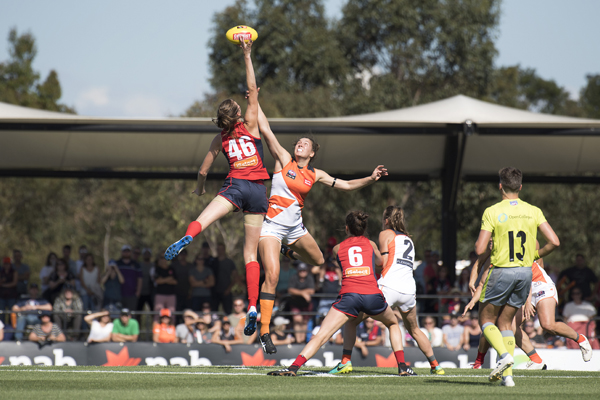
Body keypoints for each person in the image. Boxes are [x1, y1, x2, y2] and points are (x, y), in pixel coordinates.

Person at [253, 95, 387, 355]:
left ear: (312, 153)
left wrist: (371, 178)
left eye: (306, 144)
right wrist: (254, 99)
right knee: (272, 275)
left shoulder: (316, 174)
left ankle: (285, 249)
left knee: (316, 260)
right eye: (299, 142)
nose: (300, 144)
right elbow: (265, 128)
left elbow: (347, 185)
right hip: (272, 228)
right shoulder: (283, 160)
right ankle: (265, 330)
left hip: (295, 229)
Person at [164, 39, 269, 339]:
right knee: (251, 255)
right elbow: (253, 86)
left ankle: (189, 236)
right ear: (238, 113)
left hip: (235, 187)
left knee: (204, 218)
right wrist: (247, 55)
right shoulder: (251, 123)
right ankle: (251, 306)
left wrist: (199, 190)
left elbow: (202, 171)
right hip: (258, 191)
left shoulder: (220, 138)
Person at [267, 211, 413, 377]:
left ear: (346, 228)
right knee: (393, 324)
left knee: (322, 334)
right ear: (364, 228)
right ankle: (402, 366)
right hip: (372, 294)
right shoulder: (371, 244)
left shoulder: (337, 248)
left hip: (349, 296)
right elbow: (380, 263)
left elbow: (343, 264)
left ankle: (294, 368)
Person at [329, 206, 444, 375]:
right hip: (408, 290)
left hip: (388, 286)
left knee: (352, 321)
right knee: (414, 329)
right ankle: (435, 365)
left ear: (387, 220)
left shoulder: (385, 234)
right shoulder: (409, 239)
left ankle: (345, 361)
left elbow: (382, 263)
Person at [473, 167, 560, 387]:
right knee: (506, 323)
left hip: (502, 271)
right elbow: (555, 242)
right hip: (524, 273)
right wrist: (535, 255)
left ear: (500, 186)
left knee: (485, 320)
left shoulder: (492, 211)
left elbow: (479, 248)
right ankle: (508, 377)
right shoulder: (533, 210)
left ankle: (504, 355)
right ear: (520, 187)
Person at [467, 241, 593, 370]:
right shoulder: (493, 257)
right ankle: (535, 360)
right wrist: (472, 283)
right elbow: (480, 263)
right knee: (509, 325)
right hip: (524, 289)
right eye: (489, 242)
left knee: (547, 325)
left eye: (493, 242)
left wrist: (527, 302)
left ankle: (580, 339)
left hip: (540, 284)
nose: (491, 245)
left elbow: (528, 275)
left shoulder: (513, 250)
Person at [287, 262, 315, 345]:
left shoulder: (309, 278)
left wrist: (298, 292)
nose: (303, 272)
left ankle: (302, 340)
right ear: (298, 271)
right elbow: (290, 290)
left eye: (304, 270)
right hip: (295, 303)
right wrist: (303, 293)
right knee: (297, 319)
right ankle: (298, 340)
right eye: (301, 270)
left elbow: (312, 291)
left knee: (304, 322)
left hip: (306, 305)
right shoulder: (294, 277)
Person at [211, 243, 238, 314]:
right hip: (214, 292)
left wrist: (228, 289)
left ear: (224, 250)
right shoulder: (213, 261)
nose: (220, 251)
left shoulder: (229, 262)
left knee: (228, 312)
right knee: (214, 312)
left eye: (221, 249)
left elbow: (235, 277)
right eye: (218, 249)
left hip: (226, 291)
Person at [116, 245, 142, 311]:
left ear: (130, 253)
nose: (126, 253)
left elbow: (140, 279)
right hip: (119, 294)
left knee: (131, 314)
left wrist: (138, 292)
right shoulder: (117, 264)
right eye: (125, 251)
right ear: (121, 252)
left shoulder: (136, 264)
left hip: (132, 295)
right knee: (118, 314)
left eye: (128, 251)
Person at [153, 255, 177, 321]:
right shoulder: (157, 269)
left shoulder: (172, 269)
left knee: (172, 314)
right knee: (158, 313)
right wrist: (169, 278)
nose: (164, 259)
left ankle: (171, 330)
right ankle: (156, 330)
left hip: (171, 294)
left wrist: (163, 279)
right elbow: (157, 281)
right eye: (162, 258)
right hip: (160, 294)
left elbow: (175, 281)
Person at [170, 249, 191, 317]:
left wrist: (191, 292)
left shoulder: (190, 266)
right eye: (181, 253)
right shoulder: (174, 265)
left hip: (187, 293)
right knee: (177, 313)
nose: (183, 255)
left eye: (184, 254)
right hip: (176, 293)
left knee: (187, 313)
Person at [137, 248, 155, 313]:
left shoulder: (154, 265)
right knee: (138, 312)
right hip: (140, 293)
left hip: (151, 293)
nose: (147, 255)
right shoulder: (139, 265)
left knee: (153, 311)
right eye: (145, 254)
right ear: (143, 255)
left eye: (148, 254)